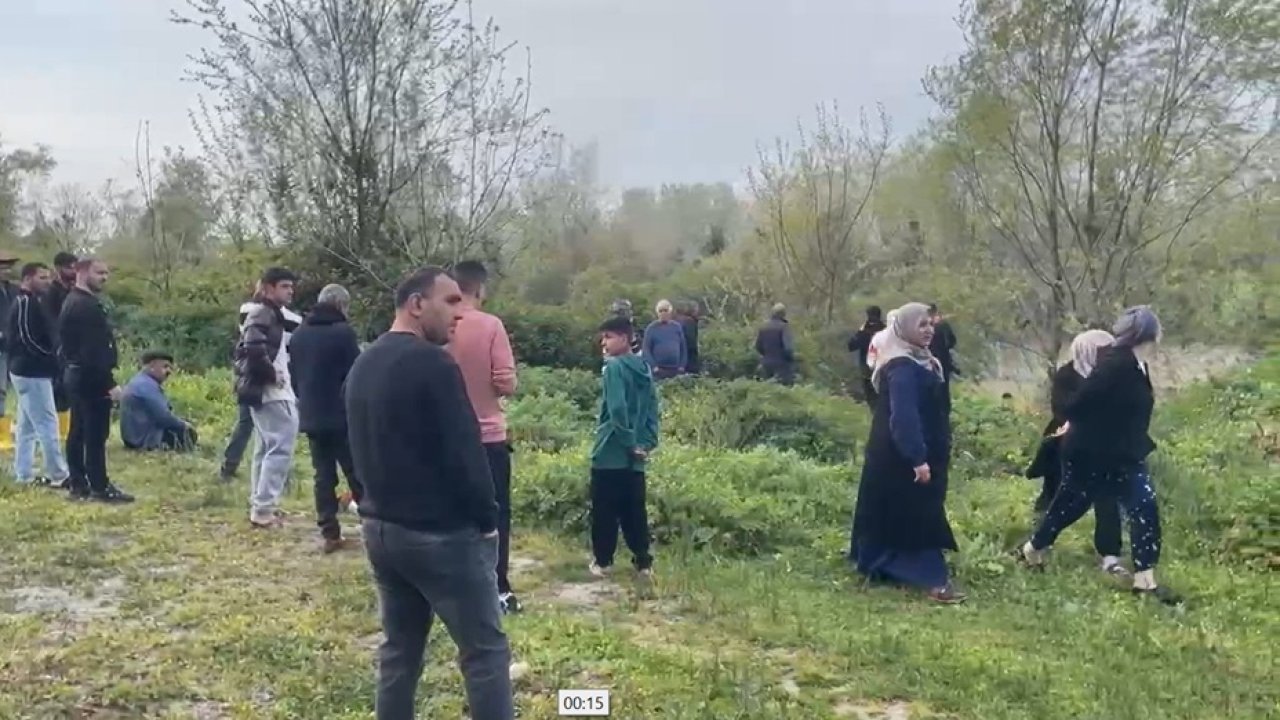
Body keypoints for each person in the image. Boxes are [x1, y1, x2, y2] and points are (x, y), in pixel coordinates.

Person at [346, 266, 513, 720]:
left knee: (399, 650)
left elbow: (353, 445)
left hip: (381, 530)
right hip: (439, 535)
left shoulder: (364, 362)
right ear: (417, 305)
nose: (461, 313)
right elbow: (466, 454)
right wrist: (487, 522)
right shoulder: (434, 363)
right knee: (485, 653)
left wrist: (367, 501)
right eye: (452, 302)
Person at [1019, 307, 1181, 604]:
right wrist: (1105, 422)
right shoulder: (1115, 363)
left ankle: (1145, 581)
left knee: (1143, 506)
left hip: (1124, 453)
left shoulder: (1137, 364)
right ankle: (1033, 549)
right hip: (1091, 453)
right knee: (1070, 506)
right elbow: (1076, 406)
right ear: (1149, 333)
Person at [849, 302, 964, 604]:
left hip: (909, 450)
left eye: (930, 324)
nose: (928, 330)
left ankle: (879, 562)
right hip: (901, 455)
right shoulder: (901, 368)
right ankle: (931, 578)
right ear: (903, 329)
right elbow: (903, 417)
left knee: (896, 510)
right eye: (921, 325)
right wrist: (917, 458)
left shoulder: (921, 360)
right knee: (916, 511)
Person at [446, 261, 521, 613]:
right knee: (494, 513)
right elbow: (505, 381)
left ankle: (452, 584)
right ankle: (498, 586)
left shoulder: (438, 326)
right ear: (480, 288)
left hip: (445, 433)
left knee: (450, 511)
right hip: (488, 434)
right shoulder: (491, 326)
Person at [1023, 332, 1125, 576]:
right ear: (1087, 350)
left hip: (1106, 445)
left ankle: (1110, 556)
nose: (1107, 355)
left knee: (1107, 499)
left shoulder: (1114, 375)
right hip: (1070, 444)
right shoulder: (1067, 375)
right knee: (1063, 497)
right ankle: (1038, 541)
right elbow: (1064, 409)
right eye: (1101, 350)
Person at [289, 283, 364, 553]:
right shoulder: (343, 334)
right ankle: (371, 525)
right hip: (343, 414)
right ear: (341, 306)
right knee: (357, 471)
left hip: (312, 414)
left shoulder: (298, 335)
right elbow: (356, 373)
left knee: (323, 475)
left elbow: (294, 377)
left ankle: (329, 532)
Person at [589, 315, 660, 579]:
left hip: (611, 450)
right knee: (634, 510)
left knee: (604, 509)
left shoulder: (614, 368)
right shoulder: (644, 368)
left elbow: (617, 409)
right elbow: (653, 409)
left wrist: (628, 442)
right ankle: (643, 563)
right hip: (637, 455)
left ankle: (603, 561)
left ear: (624, 338)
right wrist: (646, 443)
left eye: (608, 336)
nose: (603, 342)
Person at [59, 257, 132, 503]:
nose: (104, 277)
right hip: (90, 377)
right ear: (81, 272)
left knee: (78, 432)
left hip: (77, 374)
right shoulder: (84, 306)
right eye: (99, 272)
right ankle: (99, 486)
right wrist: (108, 383)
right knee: (94, 435)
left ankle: (79, 484)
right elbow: (92, 351)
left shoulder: (75, 300)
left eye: (106, 273)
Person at [234, 267, 301, 528]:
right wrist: (271, 373)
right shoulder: (263, 312)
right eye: (285, 286)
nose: (290, 291)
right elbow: (252, 345)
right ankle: (263, 510)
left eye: (290, 286)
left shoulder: (269, 313)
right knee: (280, 448)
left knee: (265, 448)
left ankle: (260, 506)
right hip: (271, 391)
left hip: (261, 390)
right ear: (269, 288)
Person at [6, 262, 70, 486]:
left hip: (30, 370)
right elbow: (26, 338)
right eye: (41, 278)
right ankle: (59, 474)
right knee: (47, 423)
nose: (47, 281)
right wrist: (51, 358)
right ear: (27, 279)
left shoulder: (34, 301)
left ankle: (23, 474)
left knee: (27, 426)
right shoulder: (24, 302)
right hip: (31, 371)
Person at [119, 350, 197, 451]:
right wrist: (185, 425)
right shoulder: (146, 386)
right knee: (187, 432)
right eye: (165, 367)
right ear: (151, 366)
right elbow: (163, 417)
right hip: (145, 439)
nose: (169, 371)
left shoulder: (140, 381)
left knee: (183, 423)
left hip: (133, 437)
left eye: (170, 367)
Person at [46, 252, 78, 442]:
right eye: (70, 267)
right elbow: (51, 322)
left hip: (71, 347)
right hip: (57, 347)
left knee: (68, 389)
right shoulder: (52, 292)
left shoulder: (72, 291)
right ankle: (59, 431)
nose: (73, 271)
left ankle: (66, 430)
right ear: (59, 268)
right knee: (57, 388)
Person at [848, 306, 887, 407]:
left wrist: (861, 331)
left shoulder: (865, 331)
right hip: (882, 369)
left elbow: (852, 346)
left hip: (868, 370)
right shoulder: (885, 330)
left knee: (871, 398)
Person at [641, 299, 688, 380]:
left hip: (675, 370)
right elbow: (646, 349)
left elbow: (683, 347)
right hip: (659, 370)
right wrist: (653, 366)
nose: (663, 313)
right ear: (657, 313)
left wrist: (682, 365)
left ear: (670, 312)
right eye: (660, 311)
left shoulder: (677, 327)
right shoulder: (651, 328)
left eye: (665, 310)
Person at [0, 252, 19, 451]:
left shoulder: (15, 290)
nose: (5, 270)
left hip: (15, 346)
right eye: (2, 267)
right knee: (0, 391)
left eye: (8, 266)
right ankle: (1, 435)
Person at [755, 303, 796, 386]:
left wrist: (766, 355)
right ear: (783, 314)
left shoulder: (764, 327)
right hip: (781, 365)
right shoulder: (784, 328)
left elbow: (758, 346)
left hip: (766, 364)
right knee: (782, 391)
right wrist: (791, 359)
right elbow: (788, 348)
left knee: (767, 390)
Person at [675, 302, 701, 375]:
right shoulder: (689, 321)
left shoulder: (677, 319)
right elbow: (691, 341)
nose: (698, 312)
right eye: (696, 310)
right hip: (688, 355)